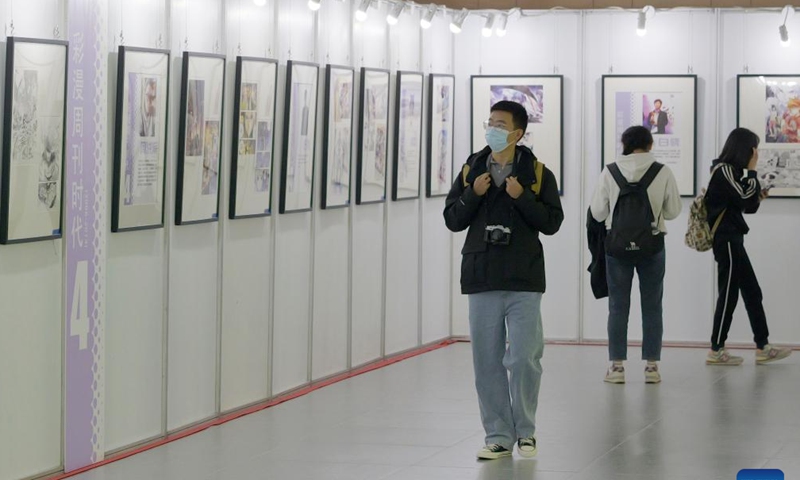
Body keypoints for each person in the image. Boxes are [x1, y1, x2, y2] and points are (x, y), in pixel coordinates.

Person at [443, 101, 563, 460]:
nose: (492, 128)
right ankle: (498, 434)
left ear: (517, 133)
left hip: (523, 277)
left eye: (500, 124)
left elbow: (552, 222)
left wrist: (522, 197)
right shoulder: (471, 169)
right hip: (481, 276)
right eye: (489, 122)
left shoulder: (538, 172)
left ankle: (525, 431)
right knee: (486, 360)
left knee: (525, 357)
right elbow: (452, 219)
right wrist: (473, 194)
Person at [590, 126, 681, 384]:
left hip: (617, 246)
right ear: (650, 144)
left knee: (618, 306)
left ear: (625, 144)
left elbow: (597, 213)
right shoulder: (662, 171)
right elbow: (673, 211)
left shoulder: (610, 171)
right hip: (652, 245)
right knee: (652, 305)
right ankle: (652, 367)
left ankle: (616, 367)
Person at [704, 128, 792, 365]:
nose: (757, 154)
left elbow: (746, 205)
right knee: (729, 295)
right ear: (746, 149)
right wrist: (753, 171)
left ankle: (763, 346)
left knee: (752, 292)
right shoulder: (723, 170)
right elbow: (743, 198)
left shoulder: (731, 172)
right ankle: (716, 350)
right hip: (727, 241)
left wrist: (759, 194)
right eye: (755, 150)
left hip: (734, 240)